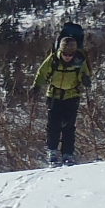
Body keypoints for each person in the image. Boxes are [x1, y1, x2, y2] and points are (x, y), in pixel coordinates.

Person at [32, 23, 91, 166]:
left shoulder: (80, 61)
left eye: (70, 54)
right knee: (53, 125)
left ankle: (68, 154)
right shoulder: (53, 60)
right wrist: (36, 86)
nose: (68, 57)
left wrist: (86, 80)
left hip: (72, 96)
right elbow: (42, 72)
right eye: (65, 54)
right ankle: (52, 151)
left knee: (69, 127)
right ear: (61, 51)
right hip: (54, 95)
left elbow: (86, 75)